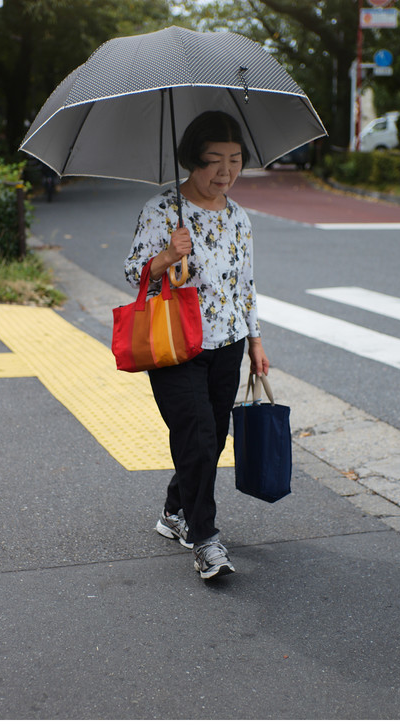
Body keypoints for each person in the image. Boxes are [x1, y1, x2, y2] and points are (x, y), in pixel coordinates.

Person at [124, 111, 270, 580]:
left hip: (226, 342)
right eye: (213, 161)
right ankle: (205, 539)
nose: (225, 172)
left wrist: (256, 340)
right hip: (175, 343)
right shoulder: (161, 209)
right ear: (192, 159)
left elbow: (245, 284)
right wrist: (167, 255)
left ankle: (174, 509)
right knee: (198, 435)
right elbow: (134, 274)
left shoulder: (239, 218)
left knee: (209, 437)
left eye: (235, 160)